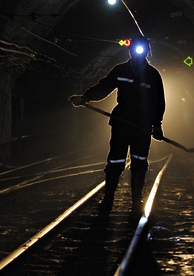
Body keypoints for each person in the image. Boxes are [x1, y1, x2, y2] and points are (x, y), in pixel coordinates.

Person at [68, 35, 165, 212]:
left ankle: (136, 201)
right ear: (130, 50)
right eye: (135, 49)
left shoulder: (153, 75)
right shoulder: (121, 70)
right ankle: (108, 198)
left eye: (141, 50)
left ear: (147, 52)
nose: (137, 53)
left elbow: (159, 101)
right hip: (122, 121)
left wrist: (157, 124)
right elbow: (104, 86)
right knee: (115, 160)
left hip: (142, 123)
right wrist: (86, 97)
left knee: (139, 161)